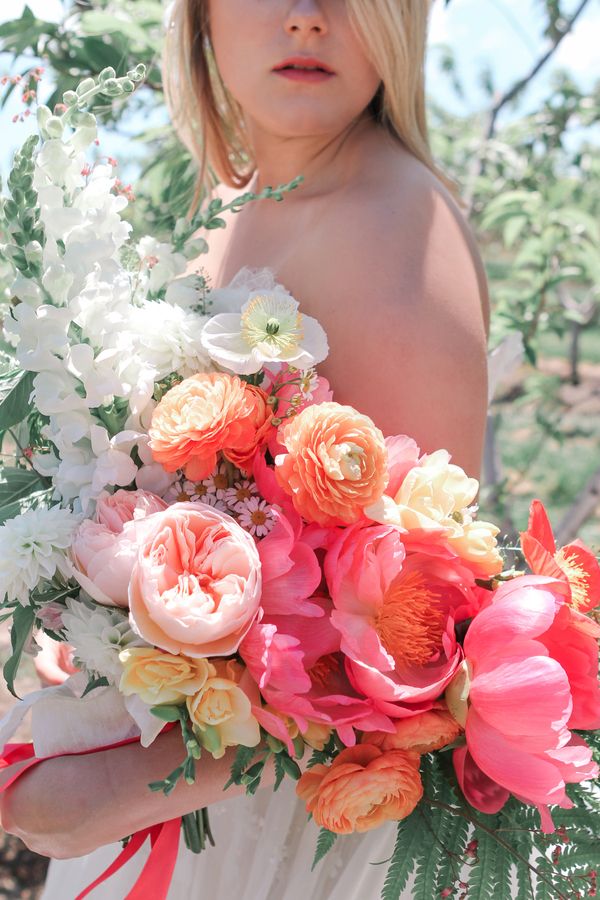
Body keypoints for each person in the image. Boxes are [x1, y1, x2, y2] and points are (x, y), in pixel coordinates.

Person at [1, 1, 491, 897]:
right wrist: (124, 628)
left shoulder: (397, 233)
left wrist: (115, 787)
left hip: (297, 838)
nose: (307, 18)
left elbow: (434, 652)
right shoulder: (230, 206)